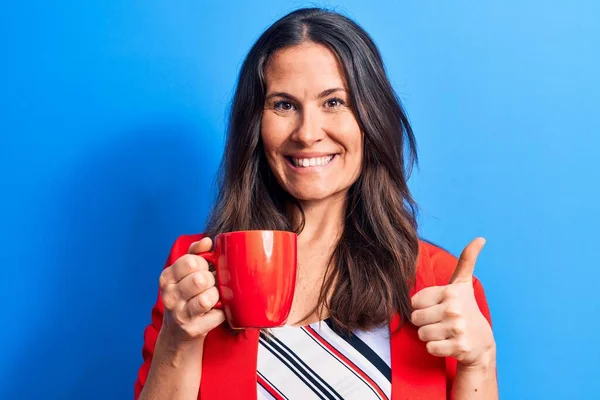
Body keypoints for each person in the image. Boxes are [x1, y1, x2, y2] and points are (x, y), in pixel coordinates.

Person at [134, 7, 498, 400]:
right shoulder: (196, 273)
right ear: (255, 125)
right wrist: (179, 337)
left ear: (370, 118)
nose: (307, 134)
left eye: (334, 102)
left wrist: (479, 360)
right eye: (284, 105)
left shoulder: (440, 283)